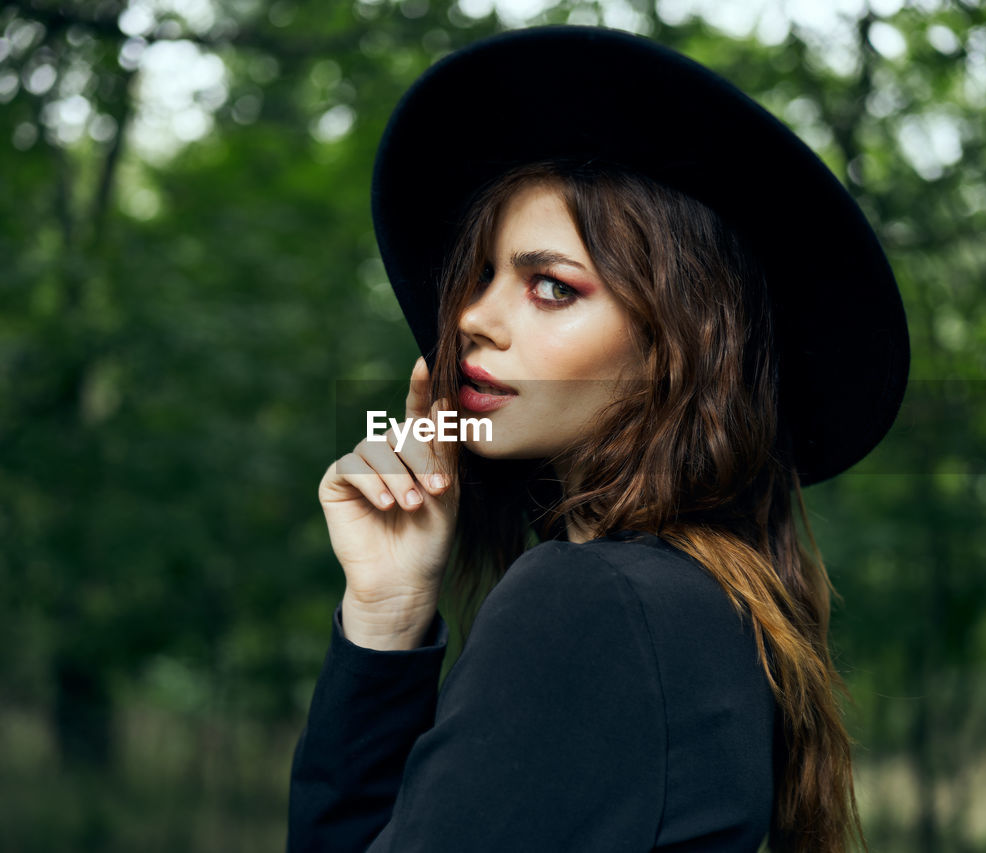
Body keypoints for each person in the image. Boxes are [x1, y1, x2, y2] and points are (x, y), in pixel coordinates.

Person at [288, 25, 909, 853]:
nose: (472, 317)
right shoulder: (708, 605)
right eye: (482, 276)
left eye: (550, 287)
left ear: (678, 347)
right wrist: (388, 610)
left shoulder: (592, 602)